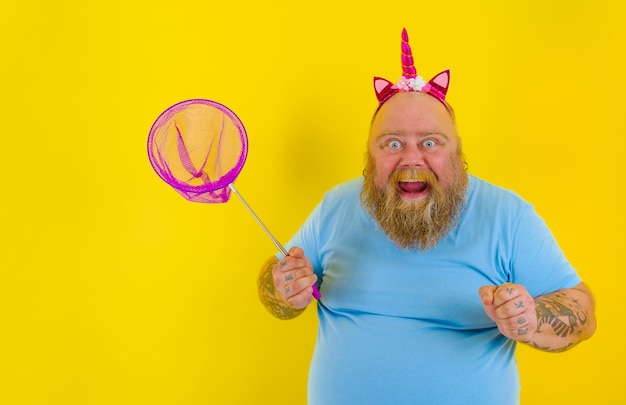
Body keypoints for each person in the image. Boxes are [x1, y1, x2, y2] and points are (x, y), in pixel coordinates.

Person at [257, 28, 596, 404]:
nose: (412, 159)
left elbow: (582, 312)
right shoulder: (337, 206)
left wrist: (532, 319)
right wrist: (283, 290)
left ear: (457, 153)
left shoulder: (507, 216)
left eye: (431, 142)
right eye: (393, 143)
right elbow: (274, 291)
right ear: (370, 156)